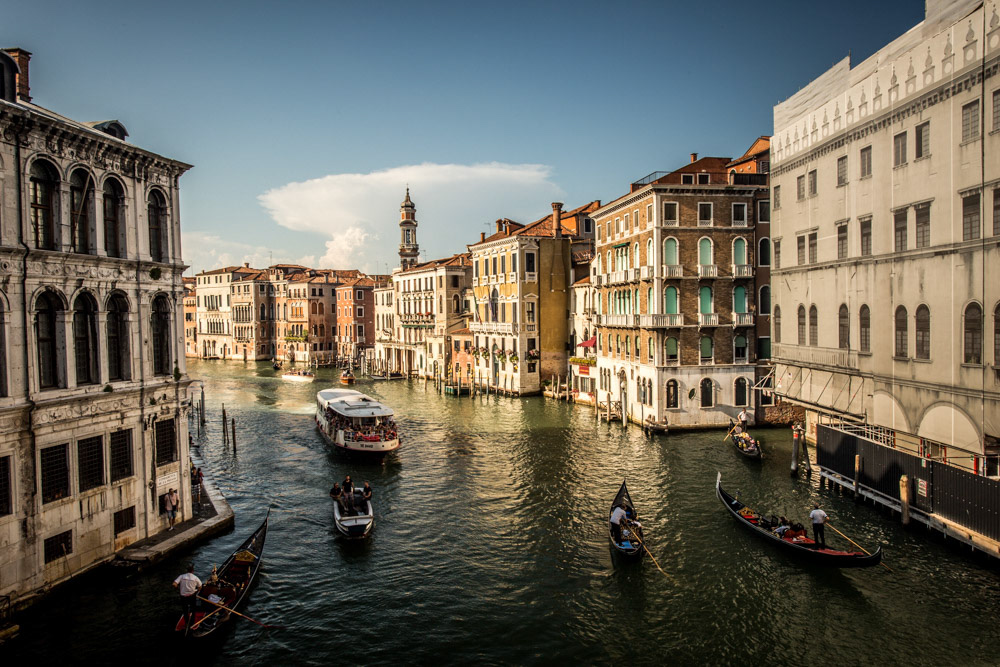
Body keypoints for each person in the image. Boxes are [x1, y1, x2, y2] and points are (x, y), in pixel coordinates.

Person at [173, 563, 202, 630]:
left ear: (187, 570)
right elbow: (200, 587)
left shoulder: (181, 576)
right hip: (192, 596)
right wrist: (196, 591)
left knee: (185, 610)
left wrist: (178, 589)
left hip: (183, 597)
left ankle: (186, 623)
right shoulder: (195, 578)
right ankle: (192, 622)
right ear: (193, 571)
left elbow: (174, 584)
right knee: (193, 609)